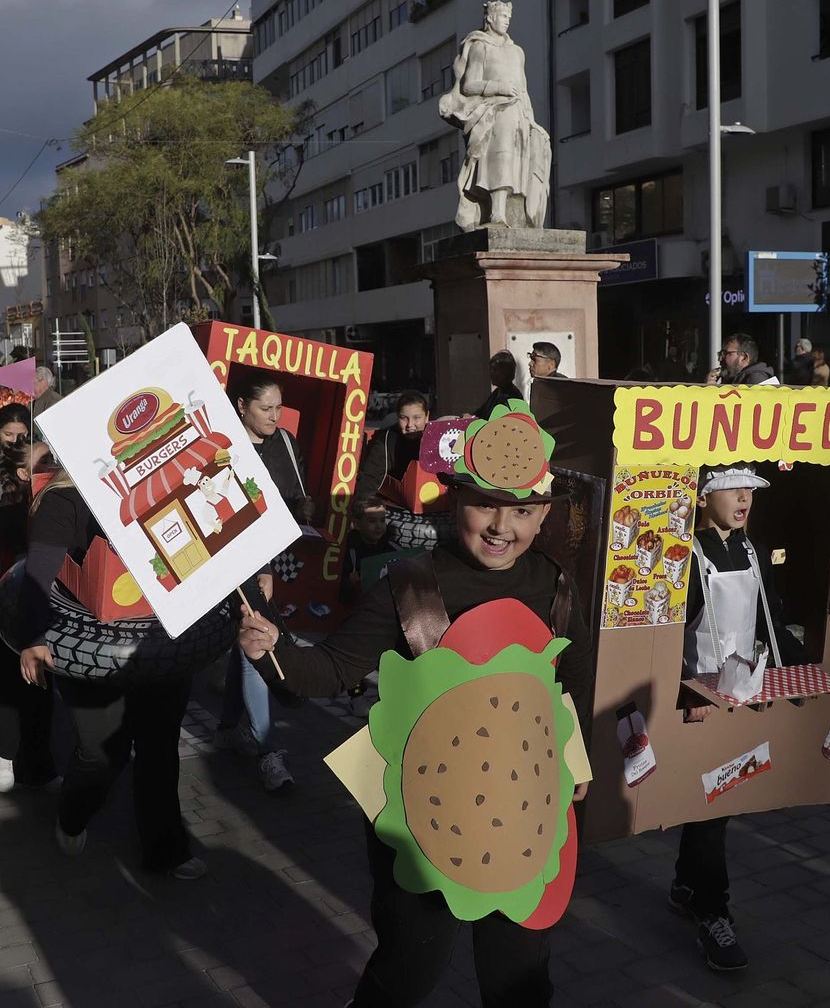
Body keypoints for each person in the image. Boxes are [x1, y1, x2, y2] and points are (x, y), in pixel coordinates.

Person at [236, 403, 594, 1008]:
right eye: (485, 506)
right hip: (419, 816)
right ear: (454, 501)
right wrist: (273, 648)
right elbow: (334, 669)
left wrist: (577, 762)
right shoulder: (409, 584)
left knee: (520, 979)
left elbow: (573, 682)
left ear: (542, 517)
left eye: (522, 513)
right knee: (409, 969)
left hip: (526, 812)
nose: (502, 527)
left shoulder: (554, 584)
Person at [16, 471, 207, 879]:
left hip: (160, 640)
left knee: (158, 747)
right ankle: (72, 813)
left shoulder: (167, 479)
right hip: (89, 643)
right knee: (104, 752)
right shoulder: (63, 499)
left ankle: (166, 850)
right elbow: (39, 572)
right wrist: (32, 637)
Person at [674, 465, 807, 972]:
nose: (744, 497)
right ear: (705, 497)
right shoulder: (688, 555)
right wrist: (684, 693)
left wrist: (803, 672)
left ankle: (687, 886)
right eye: (732, 488)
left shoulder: (753, 551)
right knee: (713, 797)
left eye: (750, 488)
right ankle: (713, 911)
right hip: (700, 697)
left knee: (720, 797)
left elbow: (769, 617)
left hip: (746, 689)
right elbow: (668, 632)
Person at [217, 377, 311, 791]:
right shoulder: (222, 444)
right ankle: (265, 748)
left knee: (247, 645)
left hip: (270, 562)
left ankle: (229, 728)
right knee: (254, 642)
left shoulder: (285, 442)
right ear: (242, 406)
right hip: (230, 561)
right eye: (265, 409)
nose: (274, 416)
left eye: (278, 408)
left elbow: (290, 503)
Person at [0, 441, 52, 794]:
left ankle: (38, 767)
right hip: (3, 615)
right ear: (24, 474)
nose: (55, 464)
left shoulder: (55, 504)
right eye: (45, 461)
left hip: (42, 615)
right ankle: (2, 751)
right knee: (3, 685)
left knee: (40, 690)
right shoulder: (7, 512)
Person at [438, 0, 551, 231]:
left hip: (518, 111)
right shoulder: (481, 47)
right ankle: (497, 213)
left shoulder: (517, 52)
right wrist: (498, 87)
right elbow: (469, 85)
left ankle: (519, 214)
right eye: (502, 16)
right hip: (494, 111)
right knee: (502, 157)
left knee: (527, 156)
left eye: (509, 17)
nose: (507, 21)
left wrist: (531, 121)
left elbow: (524, 90)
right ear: (489, 18)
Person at [352, 390, 429, 510]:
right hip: (396, 506)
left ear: (427, 417)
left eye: (417, 418)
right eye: (404, 418)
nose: (410, 425)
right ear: (397, 417)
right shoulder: (387, 439)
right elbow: (370, 477)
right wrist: (363, 508)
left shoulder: (436, 438)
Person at [340, 497, 399, 604]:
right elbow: (338, 589)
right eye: (372, 521)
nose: (379, 526)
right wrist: (349, 583)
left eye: (382, 520)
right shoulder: (350, 551)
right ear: (357, 524)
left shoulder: (393, 548)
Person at [709, 334, 779, 386]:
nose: (720, 359)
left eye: (726, 353)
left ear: (744, 358)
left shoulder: (756, 380)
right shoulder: (735, 379)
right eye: (720, 354)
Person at [475, 350, 524, 419]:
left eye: (495, 370)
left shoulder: (513, 396)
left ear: (506, 372)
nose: (491, 373)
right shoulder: (497, 392)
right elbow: (480, 412)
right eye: (491, 369)